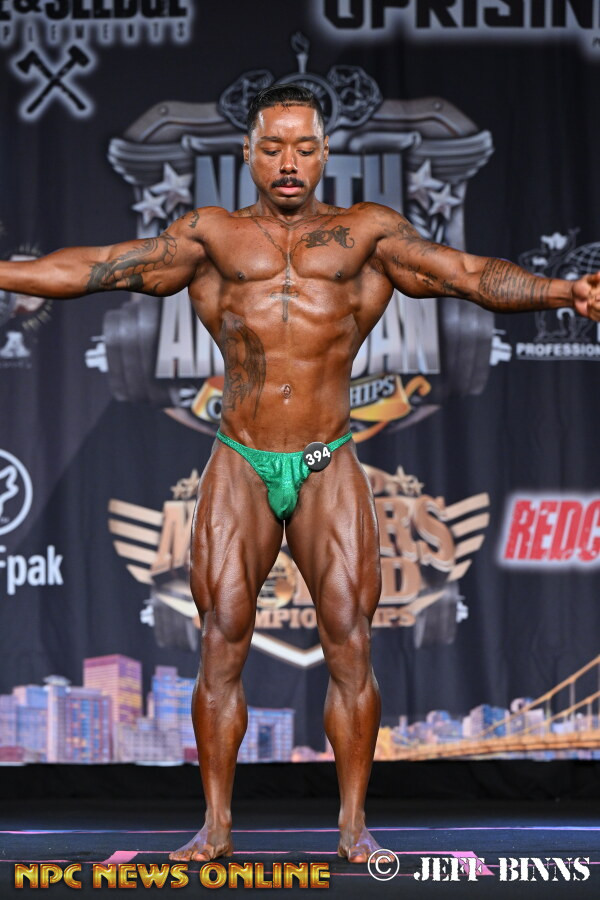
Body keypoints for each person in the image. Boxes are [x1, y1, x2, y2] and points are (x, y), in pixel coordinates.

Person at [2, 85, 599, 864]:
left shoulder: (368, 235)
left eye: (304, 147)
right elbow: (98, 268)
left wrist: (563, 291)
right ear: (248, 153)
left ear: (325, 153)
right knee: (221, 639)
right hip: (241, 458)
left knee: (350, 639)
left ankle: (353, 827)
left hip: (327, 459)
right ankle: (215, 827)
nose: (289, 162)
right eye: (273, 147)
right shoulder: (210, 237)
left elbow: (465, 274)